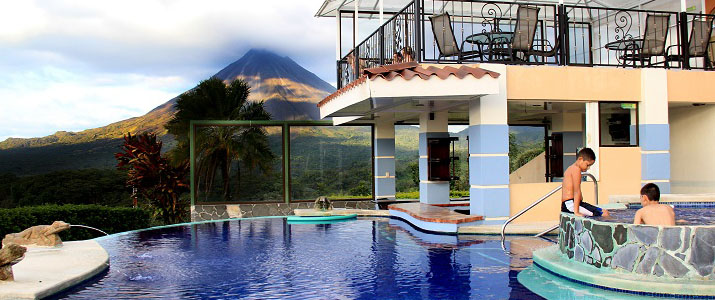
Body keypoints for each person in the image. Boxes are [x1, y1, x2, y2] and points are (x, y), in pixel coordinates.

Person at [561, 148, 610, 217]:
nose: (588, 168)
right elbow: (576, 191)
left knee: (604, 211)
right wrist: (577, 212)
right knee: (604, 214)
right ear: (580, 159)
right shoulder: (576, 169)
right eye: (587, 165)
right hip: (570, 204)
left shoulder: (571, 168)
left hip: (573, 203)